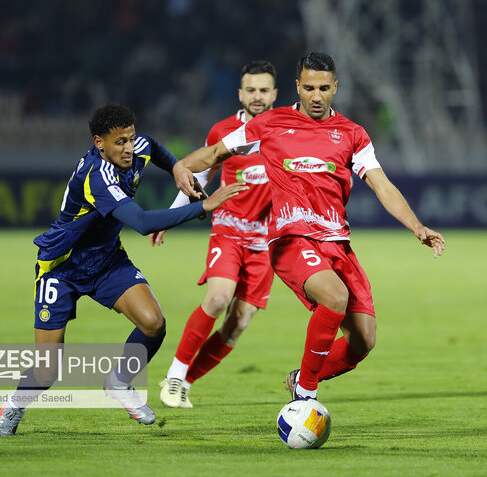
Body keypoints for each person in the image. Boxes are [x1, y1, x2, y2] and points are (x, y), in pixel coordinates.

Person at [172, 52, 445, 402]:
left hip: (337, 243)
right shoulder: (269, 123)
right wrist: (181, 165)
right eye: (310, 88)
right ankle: (306, 396)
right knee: (334, 296)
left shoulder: (352, 134)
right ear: (298, 87)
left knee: (363, 341)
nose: (316, 97)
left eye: (324, 88)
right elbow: (213, 154)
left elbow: (381, 184)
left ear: (335, 88)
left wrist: (417, 226)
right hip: (291, 238)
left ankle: (300, 377)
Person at [0, 103, 246, 436]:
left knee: (154, 324)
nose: (128, 148)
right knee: (46, 371)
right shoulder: (96, 176)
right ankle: (14, 407)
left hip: (107, 259)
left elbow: (151, 146)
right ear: (99, 143)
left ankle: (119, 382)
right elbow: (140, 222)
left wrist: (177, 168)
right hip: (62, 266)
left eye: (130, 138)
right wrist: (203, 205)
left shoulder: (137, 147)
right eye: (119, 142)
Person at [152, 61, 278, 408]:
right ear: (240, 94)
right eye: (250, 90)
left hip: (266, 242)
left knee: (237, 324)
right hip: (229, 229)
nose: (257, 96)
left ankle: (184, 383)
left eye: (263, 90)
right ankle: (176, 372)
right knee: (220, 296)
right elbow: (201, 178)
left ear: (275, 94)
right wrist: (170, 217)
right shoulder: (224, 130)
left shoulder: (286, 131)